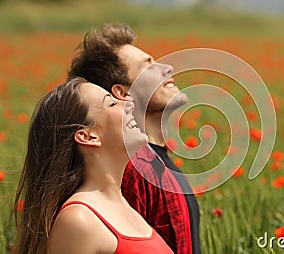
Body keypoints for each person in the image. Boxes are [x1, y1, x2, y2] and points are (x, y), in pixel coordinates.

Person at [68, 24, 201, 254]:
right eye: (148, 65)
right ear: (123, 93)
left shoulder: (155, 162)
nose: (167, 68)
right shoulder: (131, 172)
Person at [13, 78, 173, 254]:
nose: (128, 101)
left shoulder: (126, 208)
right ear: (88, 137)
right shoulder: (78, 221)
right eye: (111, 103)